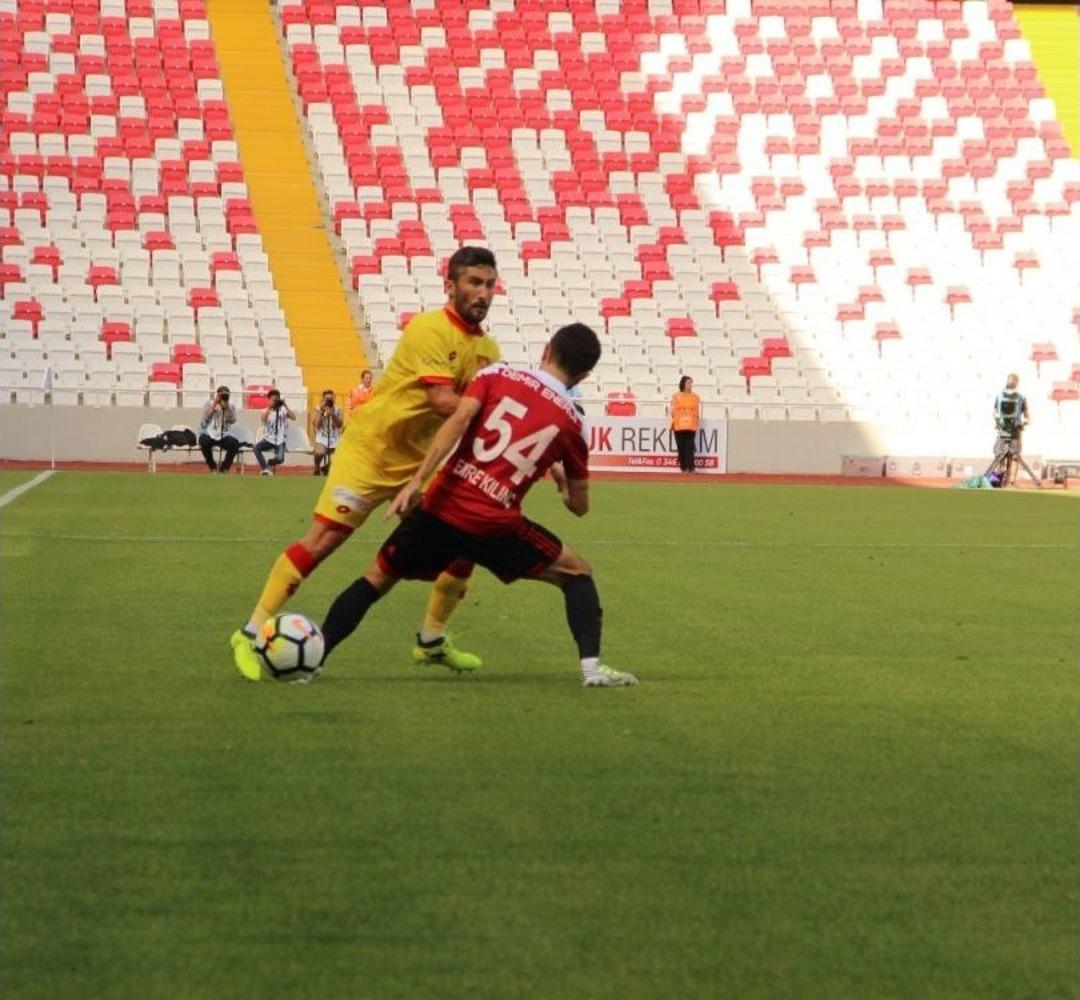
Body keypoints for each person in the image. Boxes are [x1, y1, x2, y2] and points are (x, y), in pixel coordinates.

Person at [230, 246, 502, 680]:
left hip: (419, 463)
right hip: (371, 451)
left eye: (489, 284)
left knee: (464, 539)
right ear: (450, 286)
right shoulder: (429, 329)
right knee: (323, 542)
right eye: (474, 282)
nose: (483, 293)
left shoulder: (488, 350)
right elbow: (442, 400)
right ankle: (248, 633)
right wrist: (499, 419)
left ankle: (431, 639)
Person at [318, 323, 638, 688]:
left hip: (442, 506)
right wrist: (563, 482)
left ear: (546, 349)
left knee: (376, 579)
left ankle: (314, 658)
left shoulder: (496, 375)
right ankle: (592, 669)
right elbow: (579, 506)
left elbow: (457, 422)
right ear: (583, 375)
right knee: (577, 573)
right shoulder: (573, 422)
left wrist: (417, 480)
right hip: (494, 525)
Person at [993, 373, 1030, 486]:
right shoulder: (999, 396)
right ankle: (998, 479)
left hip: (1015, 431)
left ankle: (1011, 481)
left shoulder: (1021, 398)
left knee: (1015, 457)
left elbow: (1027, 416)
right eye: (1010, 379)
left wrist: (1024, 423)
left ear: (1017, 382)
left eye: (1014, 380)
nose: (1011, 382)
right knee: (999, 456)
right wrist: (997, 421)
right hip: (1002, 430)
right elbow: (995, 411)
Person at [198, 385, 240, 474]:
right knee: (203, 440)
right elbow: (205, 417)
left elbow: (233, 420)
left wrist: (227, 407)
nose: (223, 397)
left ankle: (224, 468)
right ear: (217, 395)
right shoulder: (210, 403)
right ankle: (212, 467)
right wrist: (215, 404)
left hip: (224, 434)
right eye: (221, 395)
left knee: (234, 443)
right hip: (211, 433)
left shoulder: (231, 405)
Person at [253, 389, 295, 476]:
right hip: (268, 439)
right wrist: (270, 408)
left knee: (280, 459)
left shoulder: (283, 410)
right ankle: (265, 469)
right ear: (269, 400)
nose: (275, 402)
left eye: (277, 400)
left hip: (280, 440)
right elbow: (263, 419)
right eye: (273, 400)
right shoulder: (266, 410)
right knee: (256, 448)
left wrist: (285, 405)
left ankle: (270, 463)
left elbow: (293, 417)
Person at [670, 375, 701, 474]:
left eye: (691, 383)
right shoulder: (676, 396)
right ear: (683, 383)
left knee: (690, 447)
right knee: (681, 447)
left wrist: (695, 422)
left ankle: (691, 468)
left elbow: (696, 412)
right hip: (679, 425)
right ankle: (684, 468)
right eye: (688, 382)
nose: (690, 384)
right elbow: (672, 412)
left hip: (691, 425)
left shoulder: (695, 397)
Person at [309, 389, 344, 476]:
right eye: (327, 399)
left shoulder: (338, 409)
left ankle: (326, 468)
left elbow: (340, 425)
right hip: (322, 438)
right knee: (319, 452)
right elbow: (316, 425)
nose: (329, 400)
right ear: (323, 399)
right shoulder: (318, 408)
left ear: (334, 399)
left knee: (341, 456)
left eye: (331, 398)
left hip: (335, 439)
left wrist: (333, 415)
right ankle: (317, 466)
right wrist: (321, 411)